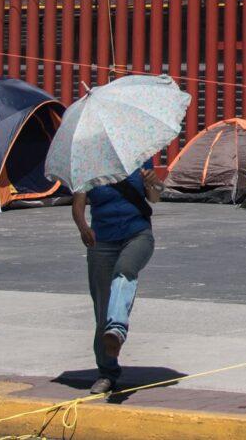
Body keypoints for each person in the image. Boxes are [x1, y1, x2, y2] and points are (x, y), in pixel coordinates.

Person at [71, 162, 158, 394]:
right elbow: (78, 205)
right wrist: (83, 227)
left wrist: (152, 183)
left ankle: (117, 330)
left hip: (138, 235)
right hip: (102, 242)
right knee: (102, 310)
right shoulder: (88, 167)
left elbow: (155, 198)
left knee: (125, 270)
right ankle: (107, 373)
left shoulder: (138, 161)